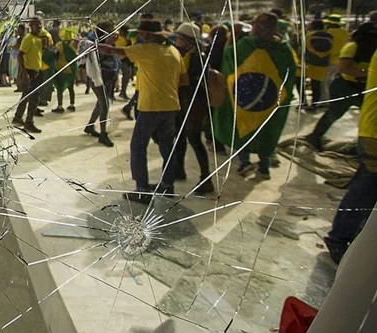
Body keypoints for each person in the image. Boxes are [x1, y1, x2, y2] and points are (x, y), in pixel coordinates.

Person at [100, 20, 186, 202]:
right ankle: (167, 186)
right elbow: (184, 81)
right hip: (171, 106)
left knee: (138, 146)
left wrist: (88, 45)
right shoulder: (174, 52)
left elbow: (112, 51)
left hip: (150, 106)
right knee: (167, 147)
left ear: (147, 35)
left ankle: (142, 190)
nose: (139, 36)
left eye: (141, 33)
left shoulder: (145, 49)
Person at [213, 12, 296, 180]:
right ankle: (264, 167)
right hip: (269, 101)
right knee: (266, 129)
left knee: (242, 126)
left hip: (245, 97)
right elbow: (290, 74)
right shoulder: (283, 49)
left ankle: (244, 162)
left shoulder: (246, 45)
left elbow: (229, 58)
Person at [323, 46, 377, 264]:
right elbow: (343, 65)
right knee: (366, 188)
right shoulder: (353, 45)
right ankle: (339, 238)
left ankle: (350, 236)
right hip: (374, 133)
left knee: (366, 186)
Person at [305, 22, 377, 151]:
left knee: (369, 117)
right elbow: (343, 68)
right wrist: (368, 74)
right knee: (334, 113)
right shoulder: (353, 47)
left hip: (364, 87)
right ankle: (315, 137)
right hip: (345, 86)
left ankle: (364, 144)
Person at [171, 23, 214, 193]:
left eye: (179, 38)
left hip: (194, 104)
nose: (176, 41)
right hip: (185, 102)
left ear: (187, 41)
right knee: (180, 137)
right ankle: (179, 169)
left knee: (195, 140)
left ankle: (206, 178)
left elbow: (188, 81)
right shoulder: (188, 54)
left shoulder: (197, 57)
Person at [85, 24, 118, 147]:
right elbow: (97, 59)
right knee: (105, 105)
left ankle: (89, 126)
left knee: (100, 104)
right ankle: (103, 134)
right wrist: (109, 43)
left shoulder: (107, 42)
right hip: (98, 78)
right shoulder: (95, 44)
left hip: (108, 76)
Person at [12, 17, 45, 134]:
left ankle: (18, 117)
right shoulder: (28, 39)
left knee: (26, 96)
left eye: (41, 26)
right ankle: (28, 123)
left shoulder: (38, 39)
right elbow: (20, 55)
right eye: (37, 26)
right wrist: (25, 73)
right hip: (29, 72)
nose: (40, 28)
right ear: (32, 26)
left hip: (35, 71)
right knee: (34, 98)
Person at [303, 19, 332, 110]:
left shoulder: (308, 36)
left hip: (309, 63)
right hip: (323, 64)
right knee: (316, 84)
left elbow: (304, 49)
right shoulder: (331, 36)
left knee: (300, 82)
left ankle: (304, 102)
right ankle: (315, 104)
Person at [51, 30, 78, 113]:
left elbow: (55, 54)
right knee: (71, 88)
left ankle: (60, 106)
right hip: (72, 69)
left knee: (59, 88)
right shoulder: (74, 45)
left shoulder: (59, 44)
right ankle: (72, 105)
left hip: (62, 68)